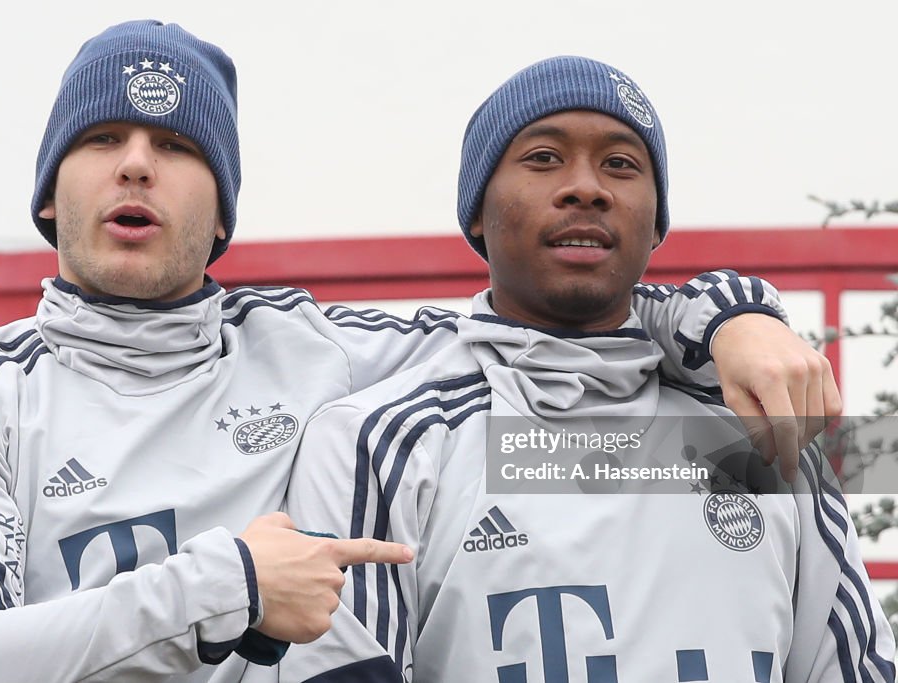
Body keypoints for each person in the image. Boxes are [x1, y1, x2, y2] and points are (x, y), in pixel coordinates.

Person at [0, 21, 840, 683]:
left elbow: (554, 322)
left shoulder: (323, 353)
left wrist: (731, 318)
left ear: (222, 215)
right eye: (103, 139)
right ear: (50, 194)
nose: (136, 162)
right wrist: (226, 586)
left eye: (176, 146)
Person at [280, 56, 896, 682]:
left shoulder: (760, 427)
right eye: (543, 157)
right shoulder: (374, 442)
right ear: (475, 212)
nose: (587, 187)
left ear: (656, 223)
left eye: (621, 164)